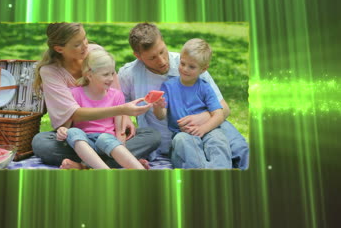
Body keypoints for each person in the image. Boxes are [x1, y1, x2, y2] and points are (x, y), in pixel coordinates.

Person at [118, 23, 249, 169]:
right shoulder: (129, 75)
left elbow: (224, 108)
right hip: (176, 138)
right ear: (138, 56)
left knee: (240, 148)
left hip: (209, 125)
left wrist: (203, 117)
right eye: (152, 57)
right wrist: (124, 116)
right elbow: (116, 107)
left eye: (162, 51)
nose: (161, 61)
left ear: (164, 41)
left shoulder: (189, 62)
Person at [32, 22, 160, 168]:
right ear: (59, 48)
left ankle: (84, 165)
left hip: (109, 134)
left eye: (85, 38)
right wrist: (123, 110)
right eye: (77, 44)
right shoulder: (50, 72)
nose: (85, 45)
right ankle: (122, 160)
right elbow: (75, 114)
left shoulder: (95, 52)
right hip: (78, 136)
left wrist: (125, 119)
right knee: (41, 143)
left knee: (152, 135)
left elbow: (115, 94)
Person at [56, 48, 147, 169]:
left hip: (106, 142)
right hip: (82, 142)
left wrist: (122, 148)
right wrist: (61, 130)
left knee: (150, 136)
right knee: (72, 133)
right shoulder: (75, 94)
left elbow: (119, 130)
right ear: (89, 75)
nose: (111, 79)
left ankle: (139, 171)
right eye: (105, 74)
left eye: (112, 73)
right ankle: (104, 171)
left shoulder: (116, 95)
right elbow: (67, 125)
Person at [152, 38, 231, 168]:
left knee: (219, 140)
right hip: (182, 133)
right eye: (182, 63)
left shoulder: (204, 87)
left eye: (191, 67)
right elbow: (161, 115)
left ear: (203, 69)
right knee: (183, 142)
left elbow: (219, 115)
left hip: (208, 129)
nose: (185, 69)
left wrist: (203, 129)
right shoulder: (168, 86)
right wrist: (158, 107)